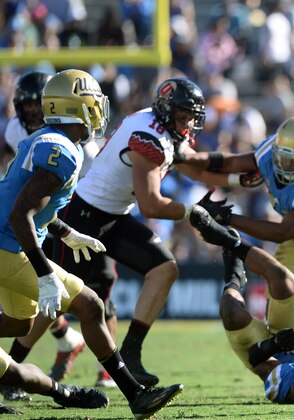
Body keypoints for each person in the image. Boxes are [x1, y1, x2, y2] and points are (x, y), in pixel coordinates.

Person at [48, 76, 259, 387]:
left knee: (164, 269)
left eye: (192, 116)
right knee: (51, 298)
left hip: (115, 215)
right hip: (84, 215)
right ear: (166, 110)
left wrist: (239, 180)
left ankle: (130, 353)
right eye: (183, 114)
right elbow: (151, 205)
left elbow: (192, 165)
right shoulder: (149, 135)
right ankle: (14, 368)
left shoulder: (162, 128)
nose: (188, 122)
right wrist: (191, 212)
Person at [0, 68, 183, 419]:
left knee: (18, 325)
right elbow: (19, 214)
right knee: (90, 305)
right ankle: (136, 394)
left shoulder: (48, 139)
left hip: (9, 241)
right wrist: (43, 273)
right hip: (8, 247)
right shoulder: (64, 152)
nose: (99, 110)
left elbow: (26, 207)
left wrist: (64, 232)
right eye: (93, 103)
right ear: (77, 108)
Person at [188, 115, 294, 333]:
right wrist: (187, 158)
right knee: (279, 314)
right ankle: (283, 360)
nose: (282, 165)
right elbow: (230, 163)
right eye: (280, 157)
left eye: (292, 161)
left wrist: (228, 217)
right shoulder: (270, 151)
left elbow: (281, 232)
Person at [189, 211, 294, 404]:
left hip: (267, 351)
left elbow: (257, 359)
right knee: (282, 280)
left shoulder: (290, 388)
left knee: (231, 310)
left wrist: (275, 344)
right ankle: (226, 240)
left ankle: (234, 278)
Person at [0, 70, 88, 402]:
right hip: (20, 219)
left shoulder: (72, 142)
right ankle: (68, 341)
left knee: (87, 293)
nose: (32, 112)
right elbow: (21, 195)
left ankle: (75, 346)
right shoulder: (17, 131)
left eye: (37, 105)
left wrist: (66, 229)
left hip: (66, 207)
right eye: (24, 105)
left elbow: (50, 198)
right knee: (64, 295)